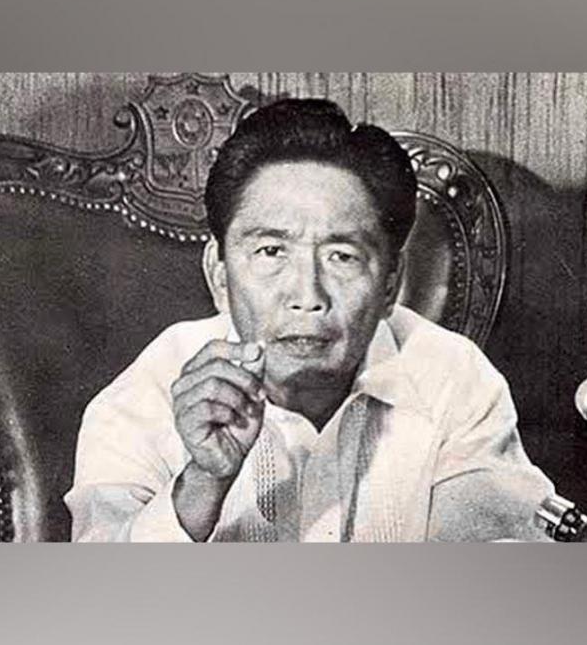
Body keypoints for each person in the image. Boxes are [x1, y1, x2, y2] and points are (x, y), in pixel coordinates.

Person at [64, 98, 554, 542]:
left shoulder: (454, 379)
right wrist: (203, 482)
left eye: (342, 256)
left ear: (390, 284)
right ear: (219, 275)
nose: (307, 296)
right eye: (271, 251)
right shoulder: (145, 398)